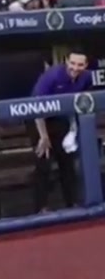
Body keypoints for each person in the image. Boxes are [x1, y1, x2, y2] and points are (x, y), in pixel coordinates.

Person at [30, 50, 92, 212]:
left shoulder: (86, 77)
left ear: (85, 65)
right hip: (39, 120)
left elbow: (80, 104)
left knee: (67, 162)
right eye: (72, 63)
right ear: (67, 62)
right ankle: (41, 207)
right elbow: (36, 106)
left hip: (60, 120)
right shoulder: (52, 76)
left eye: (80, 64)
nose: (75, 68)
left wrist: (73, 129)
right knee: (44, 162)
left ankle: (72, 204)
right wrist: (43, 137)